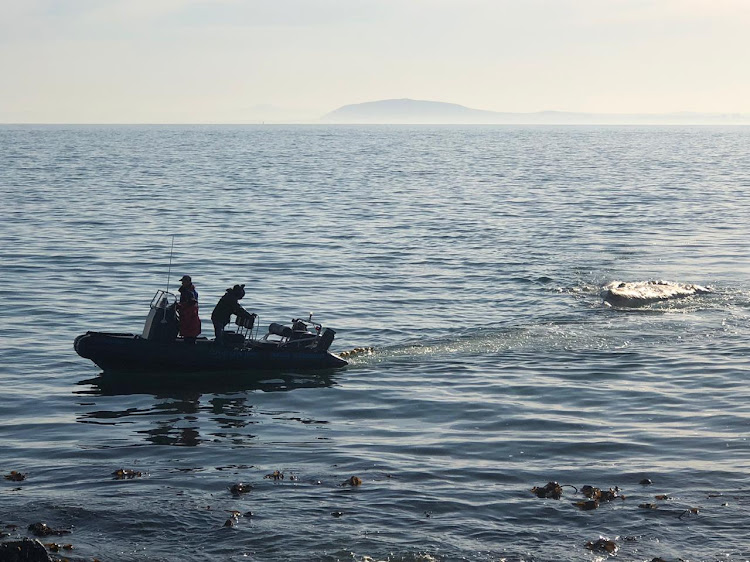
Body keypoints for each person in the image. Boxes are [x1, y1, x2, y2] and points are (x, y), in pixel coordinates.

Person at [177, 275, 201, 344]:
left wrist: (180, 305)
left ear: (188, 282)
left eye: (184, 282)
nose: (182, 283)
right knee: (187, 331)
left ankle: (189, 346)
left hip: (189, 315)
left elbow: (191, 303)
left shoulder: (190, 292)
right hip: (187, 314)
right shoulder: (187, 291)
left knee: (189, 332)